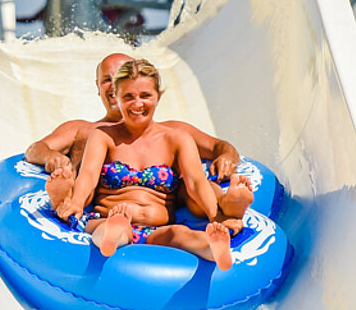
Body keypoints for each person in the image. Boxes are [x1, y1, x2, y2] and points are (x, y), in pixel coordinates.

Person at [28, 51, 257, 222]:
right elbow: (35, 149)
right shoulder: (84, 130)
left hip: (162, 207)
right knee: (77, 183)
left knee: (194, 184)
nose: (113, 84)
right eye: (107, 79)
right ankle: (63, 198)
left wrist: (226, 157)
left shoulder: (173, 132)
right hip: (104, 207)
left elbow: (218, 148)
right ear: (99, 87)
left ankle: (226, 203)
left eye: (120, 75)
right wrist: (51, 157)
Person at [50, 59, 237, 266]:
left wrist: (215, 215)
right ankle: (113, 234)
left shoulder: (177, 138)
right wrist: (76, 203)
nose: (137, 104)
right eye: (128, 97)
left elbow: (196, 182)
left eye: (145, 95)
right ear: (118, 99)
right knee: (113, 228)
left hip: (159, 228)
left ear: (158, 97)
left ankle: (213, 246)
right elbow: (89, 175)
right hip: (107, 217)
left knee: (180, 233)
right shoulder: (103, 136)